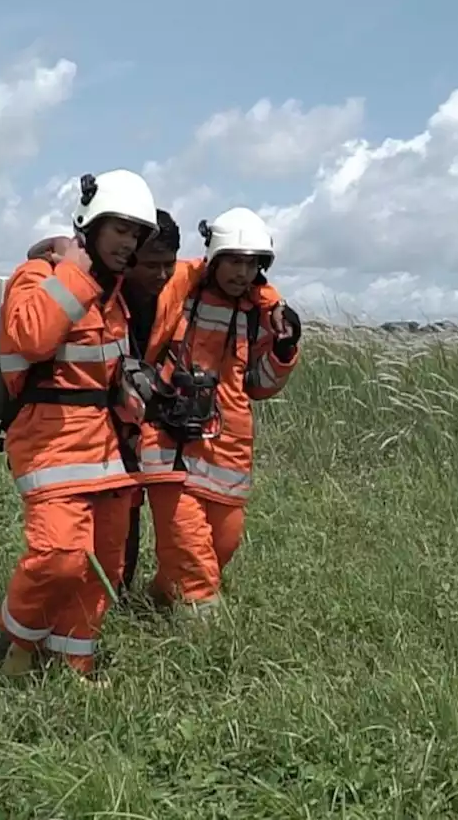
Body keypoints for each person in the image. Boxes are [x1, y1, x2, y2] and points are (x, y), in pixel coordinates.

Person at [0, 169, 158, 685]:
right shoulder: (41, 276)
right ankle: (19, 644)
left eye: (136, 234)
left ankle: (74, 666)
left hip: (106, 448)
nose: (129, 243)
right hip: (49, 441)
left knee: (99, 568)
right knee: (60, 557)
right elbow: (30, 338)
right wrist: (73, 269)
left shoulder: (114, 296)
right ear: (92, 223)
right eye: (120, 230)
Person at [142, 207, 302, 613]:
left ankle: (158, 598)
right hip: (169, 441)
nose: (241, 272)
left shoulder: (260, 315)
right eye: (233, 260)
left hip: (226, 451)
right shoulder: (180, 289)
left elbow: (259, 385)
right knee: (193, 559)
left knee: (221, 546)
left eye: (251, 264)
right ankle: (204, 634)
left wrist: (284, 350)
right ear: (214, 258)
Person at [30, 212, 181, 597]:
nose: (161, 275)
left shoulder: (176, 286)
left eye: (169, 265)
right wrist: (60, 248)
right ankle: (85, 595)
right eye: (150, 265)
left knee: (125, 506)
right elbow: (42, 259)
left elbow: (222, 266)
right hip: (88, 421)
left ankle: (113, 594)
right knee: (93, 515)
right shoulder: (97, 285)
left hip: (135, 419)